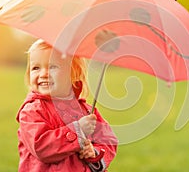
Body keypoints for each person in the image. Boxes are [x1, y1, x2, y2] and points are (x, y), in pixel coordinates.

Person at [16, 39, 118, 172]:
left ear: (73, 73)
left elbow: (108, 140)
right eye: (36, 68)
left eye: (52, 66)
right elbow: (41, 147)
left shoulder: (86, 111)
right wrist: (78, 131)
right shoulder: (33, 110)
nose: (43, 74)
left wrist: (94, 152)